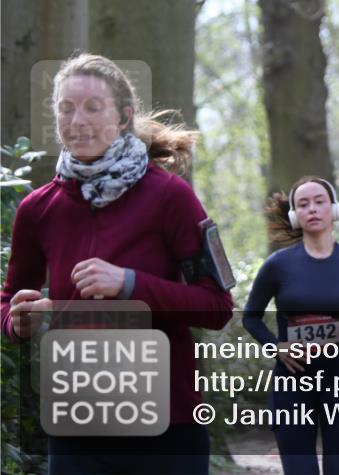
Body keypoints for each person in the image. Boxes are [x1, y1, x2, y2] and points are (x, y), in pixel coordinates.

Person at [0, 53, 234, 475]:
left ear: (124, 117)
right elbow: (7, 303)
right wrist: (17, 321)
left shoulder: (170, 197)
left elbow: (217, 307)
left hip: (167, 423)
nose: (78, 121)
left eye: (93, 107)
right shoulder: (38, 209)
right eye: (66, 109)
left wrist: (130, 284)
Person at [243, 176, 339, 475]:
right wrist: (276, 346)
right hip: (291, 384)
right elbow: (250, 317)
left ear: (334, 209)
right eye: (303, 204)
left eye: (319, 202)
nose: (312, 209)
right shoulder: (277, 266)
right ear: (295, 215)